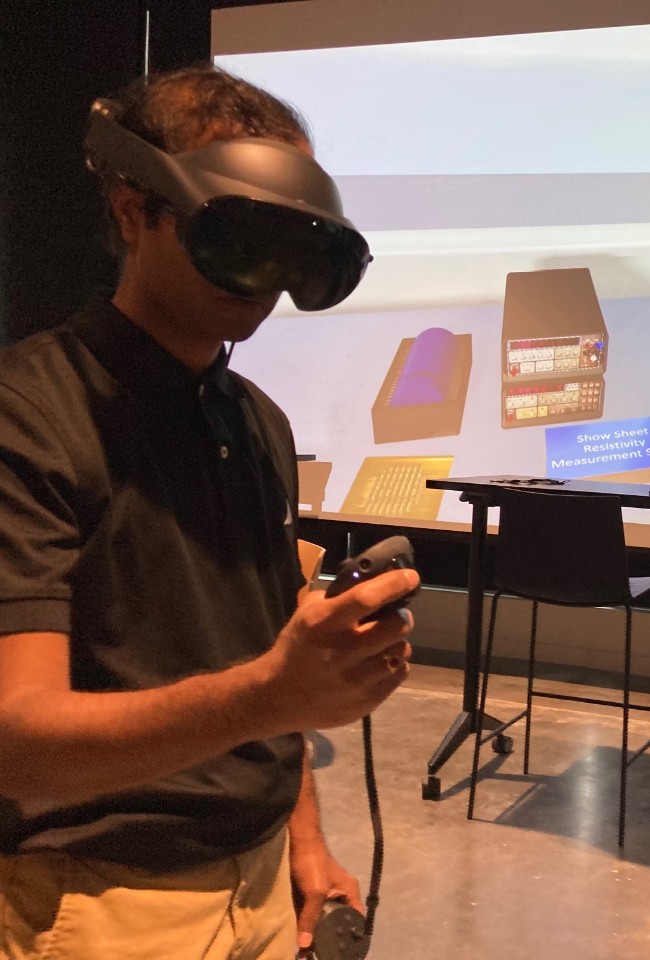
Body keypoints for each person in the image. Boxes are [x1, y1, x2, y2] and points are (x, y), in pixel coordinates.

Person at [0, 65, 417, 959]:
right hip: (98, 905)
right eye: (238, 237)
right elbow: (18, 743)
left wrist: (305, 843)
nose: (266, 279)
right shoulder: (27, 417)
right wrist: (272, 693)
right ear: (130, 211)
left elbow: (263, 658)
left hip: (261, 885)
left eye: (294, 248)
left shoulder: (256, 421)